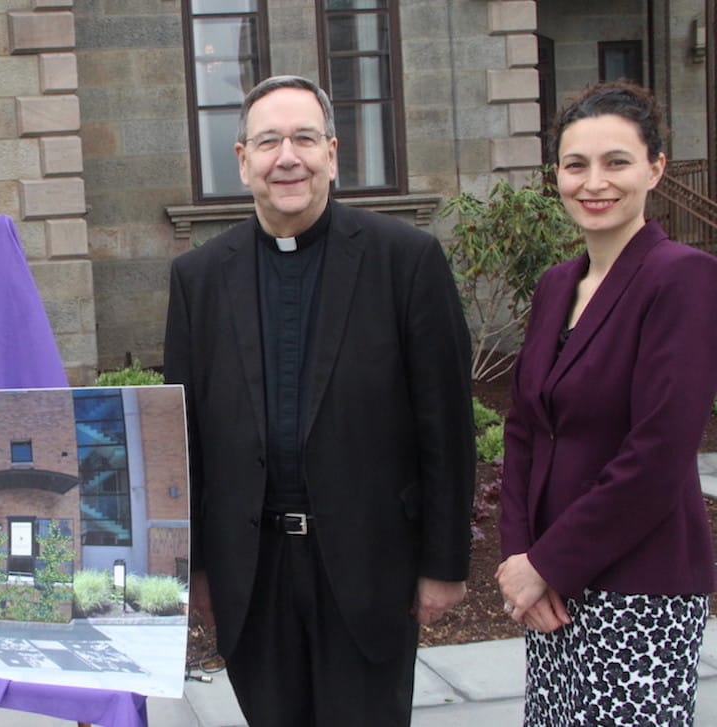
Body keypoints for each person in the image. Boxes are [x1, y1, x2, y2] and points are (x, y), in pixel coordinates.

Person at [163, 75, 476, 726]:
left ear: (332, 152)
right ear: (242, 158)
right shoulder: (197, 278)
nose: (288, 157)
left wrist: (444, 563)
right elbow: (182, 437)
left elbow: (445, 425)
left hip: (367, 569)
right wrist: (191, 568)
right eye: (269, 140)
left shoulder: (406, 260)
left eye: (305, 138)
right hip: (253, 573)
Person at [496, 81, 717, 725]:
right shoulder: (555, 284)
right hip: (550, 592)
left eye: (616, 161)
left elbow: (657, 453)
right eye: (575, 164)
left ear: (655, 169)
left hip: (638, 584)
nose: (595, 182)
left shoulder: (684, 278)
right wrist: (518, 561)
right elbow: (524, 431)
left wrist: (546, 563)